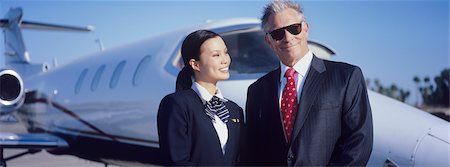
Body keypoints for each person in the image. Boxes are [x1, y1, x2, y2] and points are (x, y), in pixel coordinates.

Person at [244, 1, 373, 166]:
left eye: (294, 28)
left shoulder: (346, 78)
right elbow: (253, 152)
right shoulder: (257, 90)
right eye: (277, 34)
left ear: (305, 29)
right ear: (269, 41)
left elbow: (358, 143)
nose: (288, 38)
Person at [157, 30, 244, 166]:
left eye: (226, 52)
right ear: (195, 64)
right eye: (216, 55)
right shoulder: (176, 104)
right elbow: (176, 161)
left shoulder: (234, 110)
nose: (225, 60)